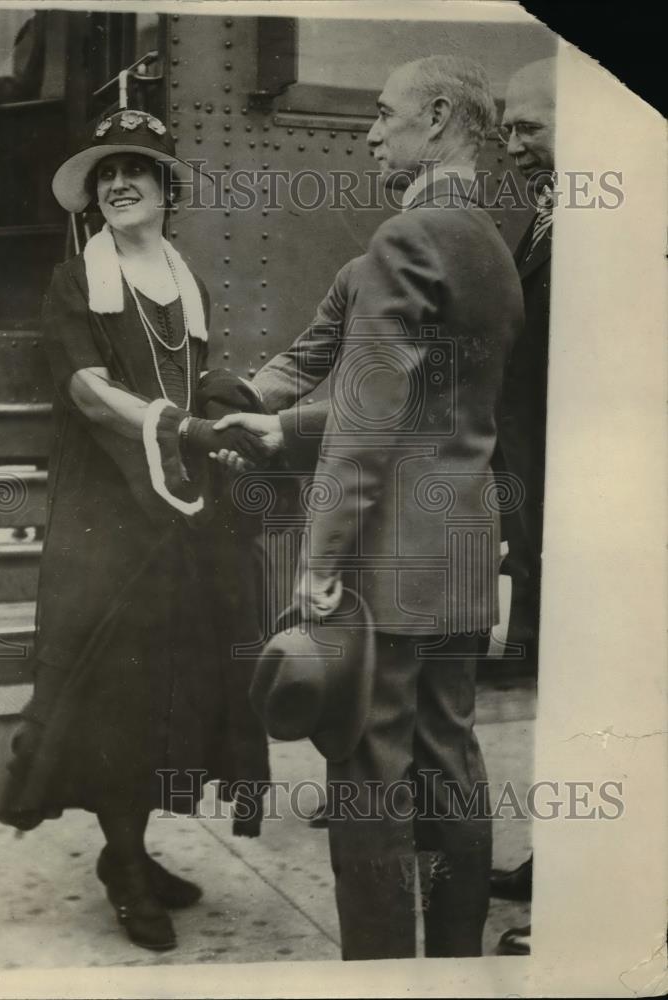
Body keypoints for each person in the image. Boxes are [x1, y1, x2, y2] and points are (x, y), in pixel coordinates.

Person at [214, 56, 524, 958]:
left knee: (365, 780)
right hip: (464, 546)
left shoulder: (401, 243)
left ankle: (381, 978)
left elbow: (369, 417)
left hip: (386, 558)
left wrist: (317, 561)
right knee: (453, 768)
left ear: (435, 119)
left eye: (384, 116)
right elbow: (435, 407)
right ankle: (460, 967)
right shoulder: (492, 245)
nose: (369, 130)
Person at [0, 109, 270, 952]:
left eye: (138, 171)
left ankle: (136, 853)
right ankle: (121, 862)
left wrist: (225, 420)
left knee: (170, 686)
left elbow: (193, 381)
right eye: (107, 174)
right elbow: (85, 390)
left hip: (174, 507)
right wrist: (179, 430)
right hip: (105, 515)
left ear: (167, 190)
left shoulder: (183, 281)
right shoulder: (77, 280)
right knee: (114, 695)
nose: (120, 184)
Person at [490, 56, 556, 958]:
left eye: (527, 128)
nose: (513, 148)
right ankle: (563, 855)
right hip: (546, 500)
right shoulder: (542, 220)